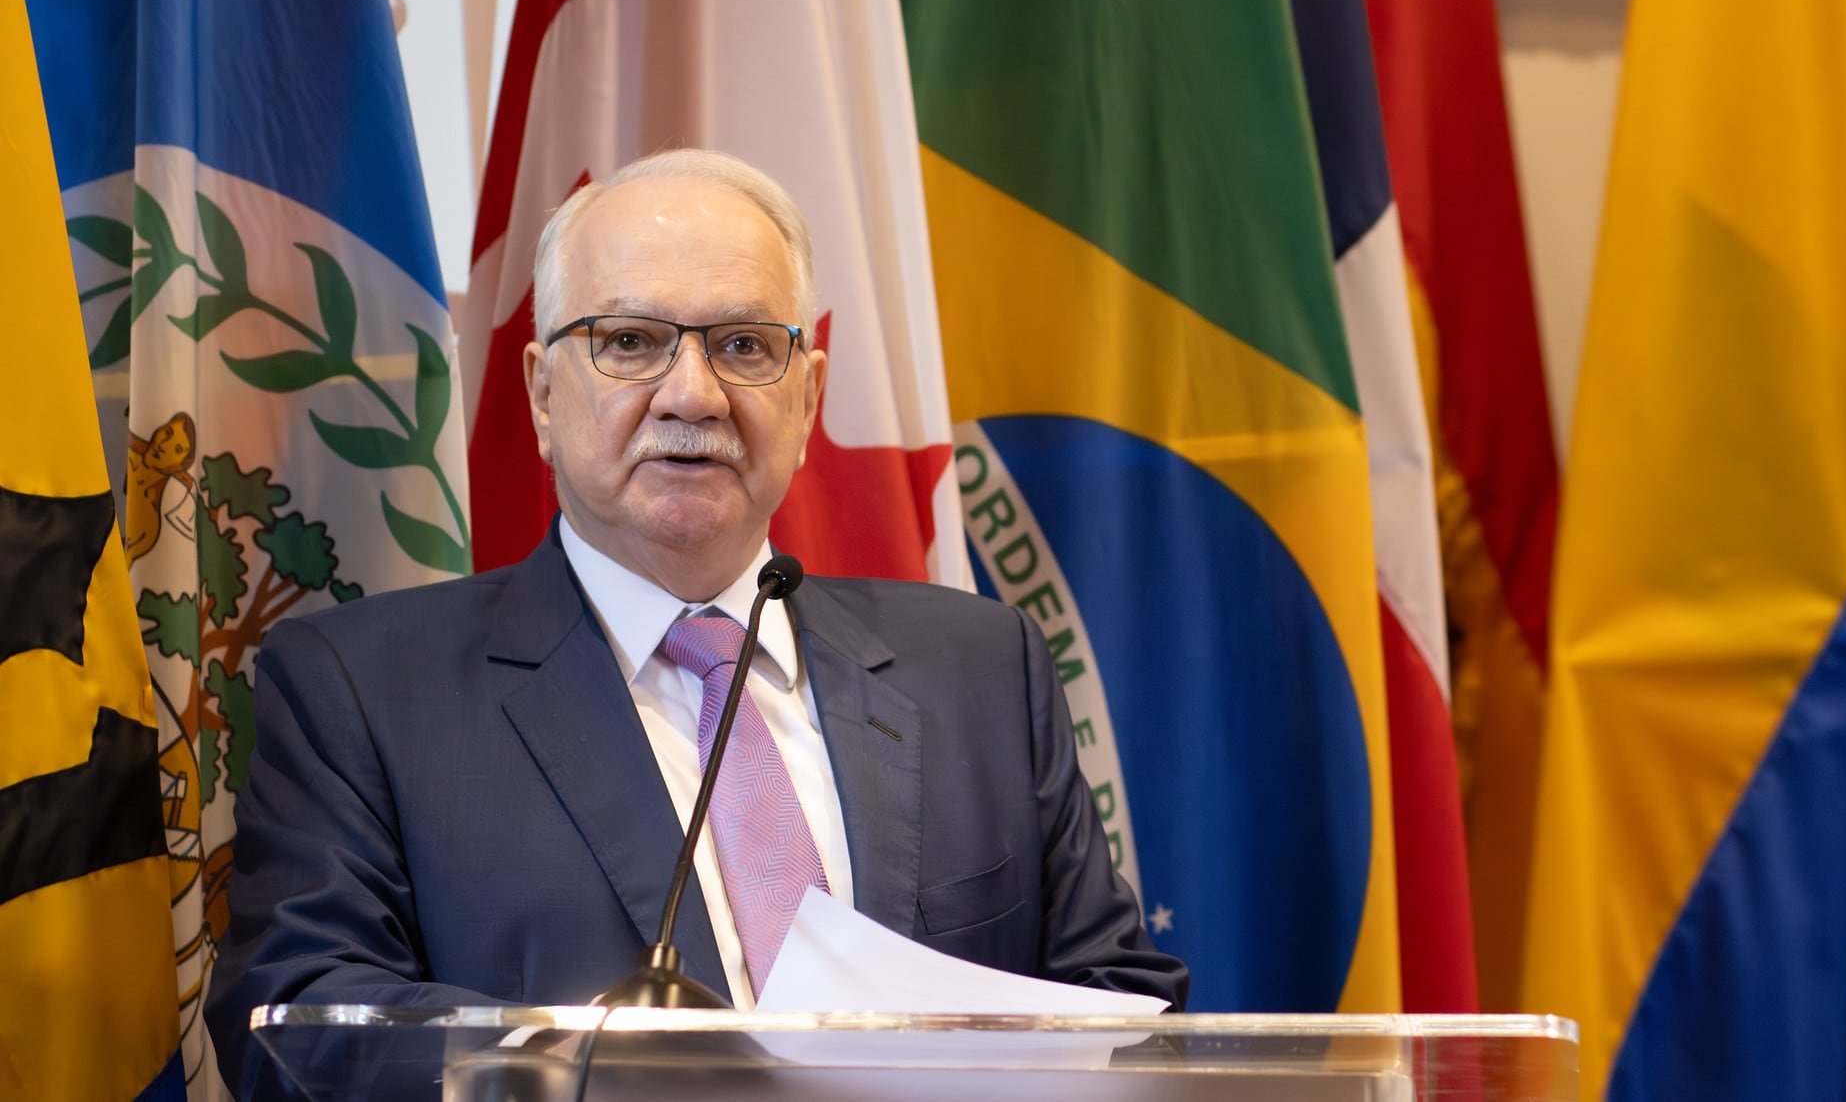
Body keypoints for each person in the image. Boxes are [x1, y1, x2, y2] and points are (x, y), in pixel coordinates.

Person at [205, 149, 1185, 1093]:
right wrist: (608, 1076)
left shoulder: (978, 667)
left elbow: (1123, 1005)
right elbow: (301, 1020)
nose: (691, 393)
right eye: (629, 341)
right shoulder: (363, 689)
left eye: (744, 346)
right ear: (543, 394)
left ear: (807, 400)